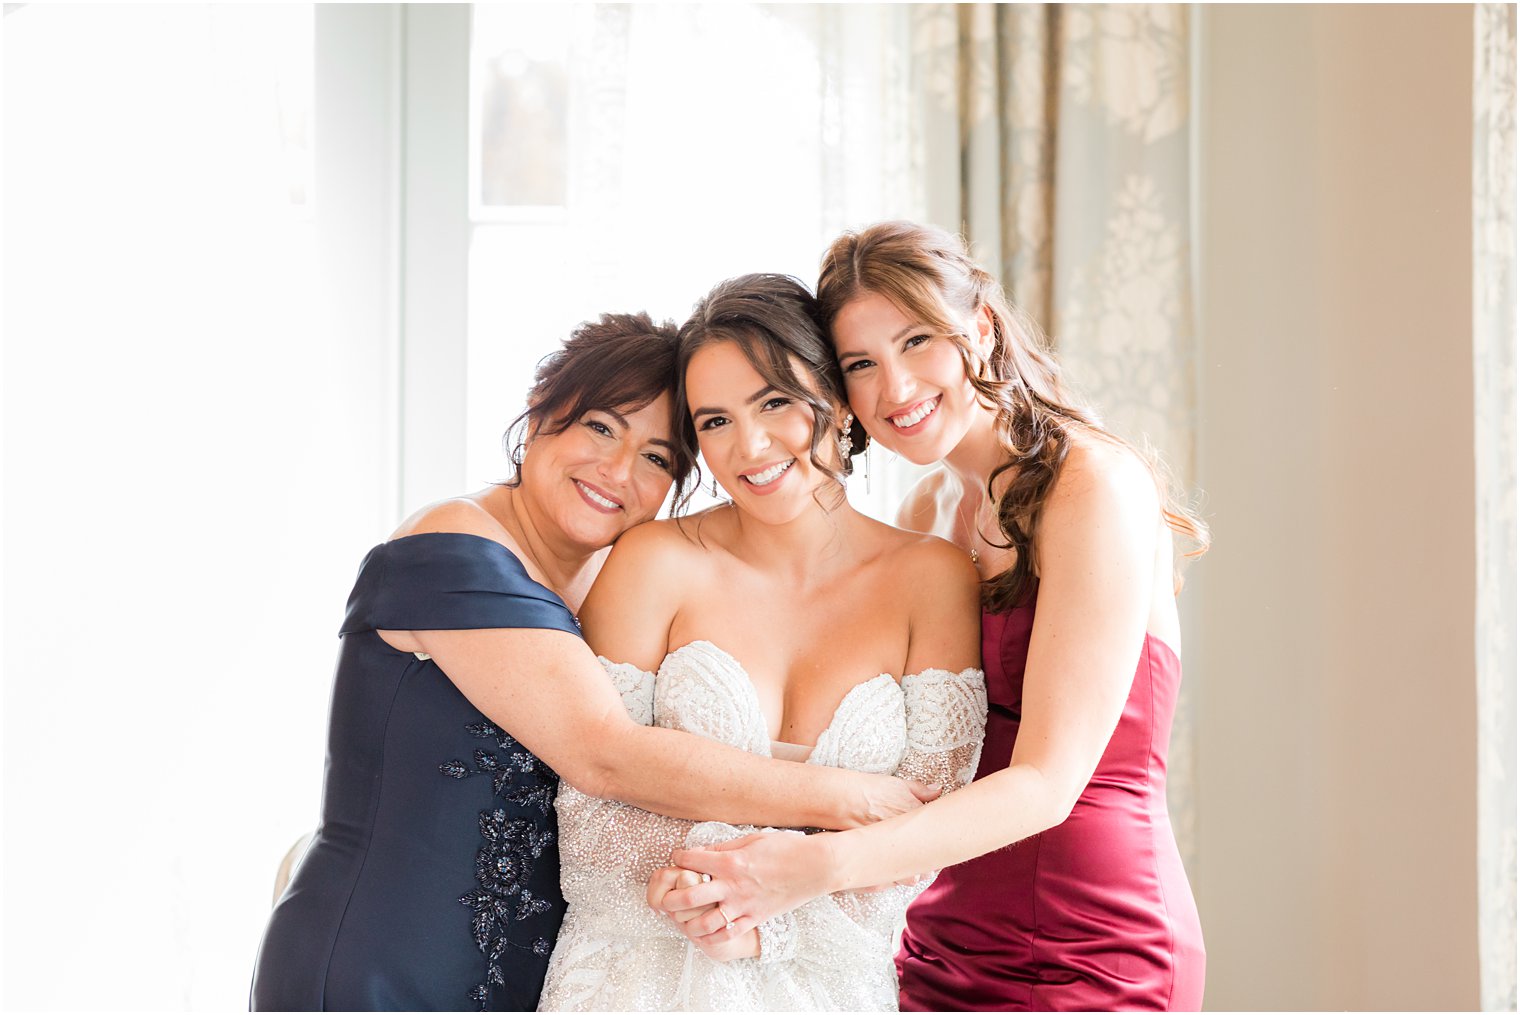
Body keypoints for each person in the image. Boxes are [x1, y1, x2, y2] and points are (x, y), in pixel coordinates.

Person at [248, 312, 937, 1012]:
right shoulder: (450, 549)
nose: (617, 471)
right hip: (384, 964)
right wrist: (850, 795)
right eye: (602, 427)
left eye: (657, 457)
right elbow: (608, 757)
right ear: (542, 409)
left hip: (526, 978)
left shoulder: (610, 581)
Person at [652, 223, 1211, 1011]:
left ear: (978, 329)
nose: (898, 387)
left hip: (1093, 938)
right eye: (861, 365)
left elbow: (1047, 783)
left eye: (917, 342)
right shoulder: (933, 509)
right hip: (942, 935)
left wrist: (809, 870)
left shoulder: (1094, 487)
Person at [535, 274, 987, 1011]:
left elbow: (928, 831)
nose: (748, 445)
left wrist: (773, 923)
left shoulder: (931, 577)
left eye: (774, 401)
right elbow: (588, 807)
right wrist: (722, 891)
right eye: (713, 421)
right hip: (632, 975)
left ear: (838, 399)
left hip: (828, 984)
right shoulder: (654, 562)